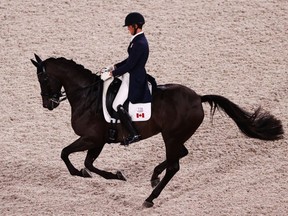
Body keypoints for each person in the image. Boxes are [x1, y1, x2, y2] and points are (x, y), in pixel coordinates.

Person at [104, 12, 152, 145]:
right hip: (130, 74)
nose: (128, 29)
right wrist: (115, 66)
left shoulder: (140, 43)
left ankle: (134, 133)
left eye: (129, 26)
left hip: (134, 77)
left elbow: (131, 65)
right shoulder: (137, 40)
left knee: (116, 104)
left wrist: (112, 74)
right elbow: (129, 59)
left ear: (136, 26)